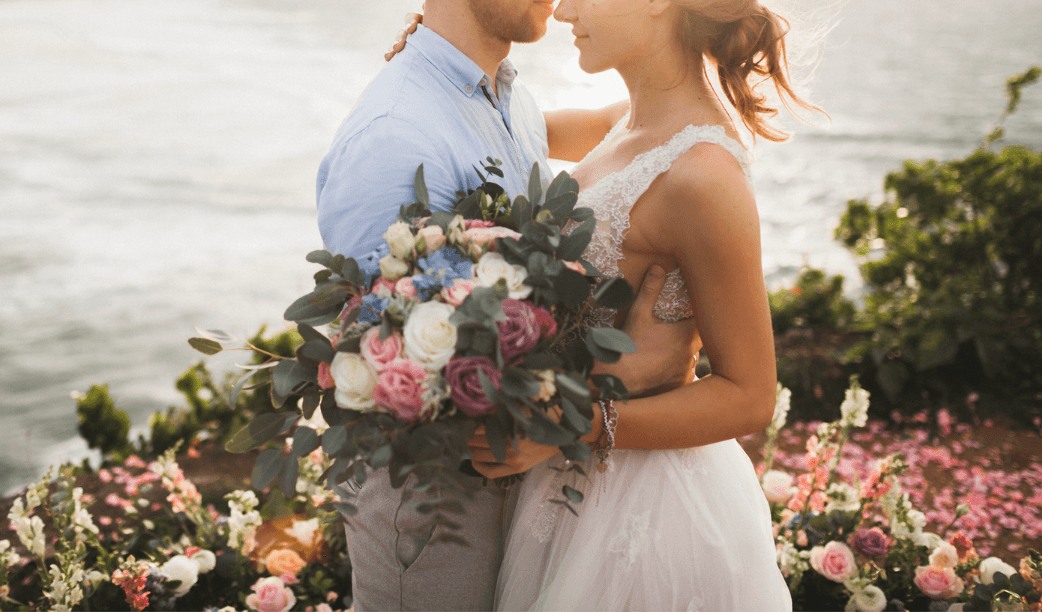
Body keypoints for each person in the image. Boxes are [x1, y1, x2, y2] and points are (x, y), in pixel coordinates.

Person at [314, 2, 701, 610]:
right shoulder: (395, 136)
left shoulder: (507, 98)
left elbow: (629, 129)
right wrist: (626, 376)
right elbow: (400, 380)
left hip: (524, 484)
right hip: (432, 504)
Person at [462, 0, 816, 607]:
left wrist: (577, 423)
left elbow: (751, 395)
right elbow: (469, 139)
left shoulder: (703, 177)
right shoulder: (616, 123)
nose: (565, 9)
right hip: (560, 484)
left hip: (646, 512)